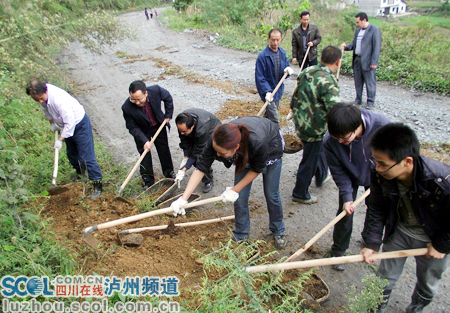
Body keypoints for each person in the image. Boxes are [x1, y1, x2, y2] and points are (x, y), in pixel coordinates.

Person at [361, 123, 450, 313]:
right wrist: (373, 242)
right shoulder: (380, 173)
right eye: (375, 161)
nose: (376, 168)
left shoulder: (441, 180)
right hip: (400, 232)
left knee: (429, 280)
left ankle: (416, 308)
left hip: (433, 238)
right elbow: (376, 207)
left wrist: (442, 244)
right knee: (384, 276)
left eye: (382, 163)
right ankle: (374, 307)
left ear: (407, 161)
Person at [170, 116, 286, 249]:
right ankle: (241, 235)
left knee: (271, 194)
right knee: (240, 197)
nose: (217, 155)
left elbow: (257, 169)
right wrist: (183, 199)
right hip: (244, 151)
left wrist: (234, 189)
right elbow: (201, 167)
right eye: (216, 151)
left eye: (221, 153)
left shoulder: (257, 142)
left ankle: (278, 230)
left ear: (236, 147)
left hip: (270, 148)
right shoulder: (216, 140)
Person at [323, 103, 390, 271]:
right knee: (345, 211)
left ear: (358, 126)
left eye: (344, 139)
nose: (340, 142)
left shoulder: (383, 126)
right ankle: (338, 251)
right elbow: (337, 171)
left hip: (377, 173)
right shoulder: (330, 141)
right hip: (349, 174)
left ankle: (369, 240)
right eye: (336, 138)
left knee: (376, 207)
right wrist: (347, 197)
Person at [26, 79, 103, 199]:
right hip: (66, 126)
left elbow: (70, 124)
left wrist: (60, 139)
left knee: (86, 157)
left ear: (46, 90)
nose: (40, 101)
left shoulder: (58, 100)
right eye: (37, 99)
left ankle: (97, 184)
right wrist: (52, 123)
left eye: (41, 98)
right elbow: (46, 110)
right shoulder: (42, 97)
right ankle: (80, 174)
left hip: (79, 124)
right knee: (72, 155)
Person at [290, 46, 341, 204]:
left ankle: (321, 175)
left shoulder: (307, 70)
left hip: (300, 121)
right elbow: (334, 109)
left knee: (317, 150)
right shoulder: (329, 81)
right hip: (314, 127)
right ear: (338, 62)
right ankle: (300, 192)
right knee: (309, 160)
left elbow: (296, 92)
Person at [122, 80, 175, 189]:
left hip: (157, 126)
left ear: (146, 93)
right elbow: (132, 127)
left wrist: (168, 114)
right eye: (133, 99)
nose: (137, 103)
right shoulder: (126, 107)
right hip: (142, 131)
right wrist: (144, 140)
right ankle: (148, 181)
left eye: (139, 99)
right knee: (144, 154)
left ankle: (169, 173)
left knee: (163, 149)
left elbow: (168, 98)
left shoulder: (156, 90)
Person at [175, 108, 221, 193]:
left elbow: (197, 152)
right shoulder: (182, 121)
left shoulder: (201, 131)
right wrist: (186, 156)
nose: (181, 133)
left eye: (183, 131)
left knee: (201, 160)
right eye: (180, 130)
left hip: (212, 130)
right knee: (188, 144)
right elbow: (184, 139)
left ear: (192, 126)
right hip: (197, 130)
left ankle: (208, 180)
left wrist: (185, 167)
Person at [342, 12, 381, 107]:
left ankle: (370, 102)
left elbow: (377, 47)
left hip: (368, 61)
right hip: (357, 60)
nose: (356, 24)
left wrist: (374, 61)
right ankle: (358, 100)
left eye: (358, 22)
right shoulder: (357, 31)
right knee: (358, 82)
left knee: (370, 82)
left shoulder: (374, 30)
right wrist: (346, 47)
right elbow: (354, 44)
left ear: (364, 20)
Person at [255, 29, 293, 126]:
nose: (275, 43)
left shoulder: (282, 53)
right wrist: (267, 92)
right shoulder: (263, 56)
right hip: (268, 93)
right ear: (269, 39)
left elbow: (286, 68)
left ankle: (260, 129)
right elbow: (260, 77)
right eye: (273, 40)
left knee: (268, 116)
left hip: (278, 91)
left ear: (281, 39)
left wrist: (288, 71)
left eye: (277, 40)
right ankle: (278, 139)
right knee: (275, 119)